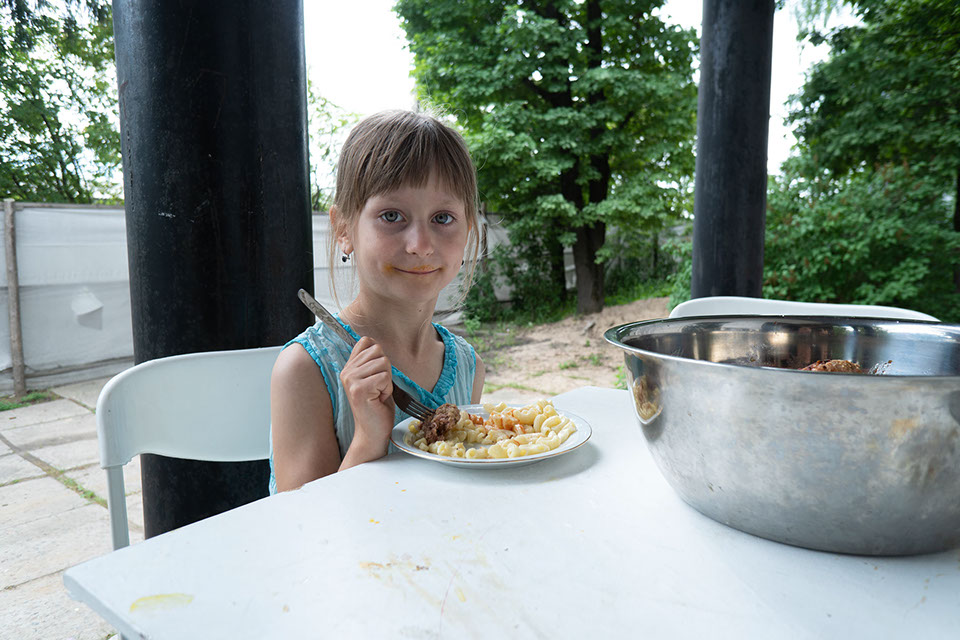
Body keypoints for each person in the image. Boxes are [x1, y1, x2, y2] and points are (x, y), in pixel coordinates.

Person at [269, 110, 485, 492]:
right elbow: (299, 521)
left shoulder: (469, 366)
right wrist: (368, 440)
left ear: (468, 230)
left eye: (443, 218)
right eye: (391, 215)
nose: (420, 245)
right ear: (344, 229)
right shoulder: (306, 371)